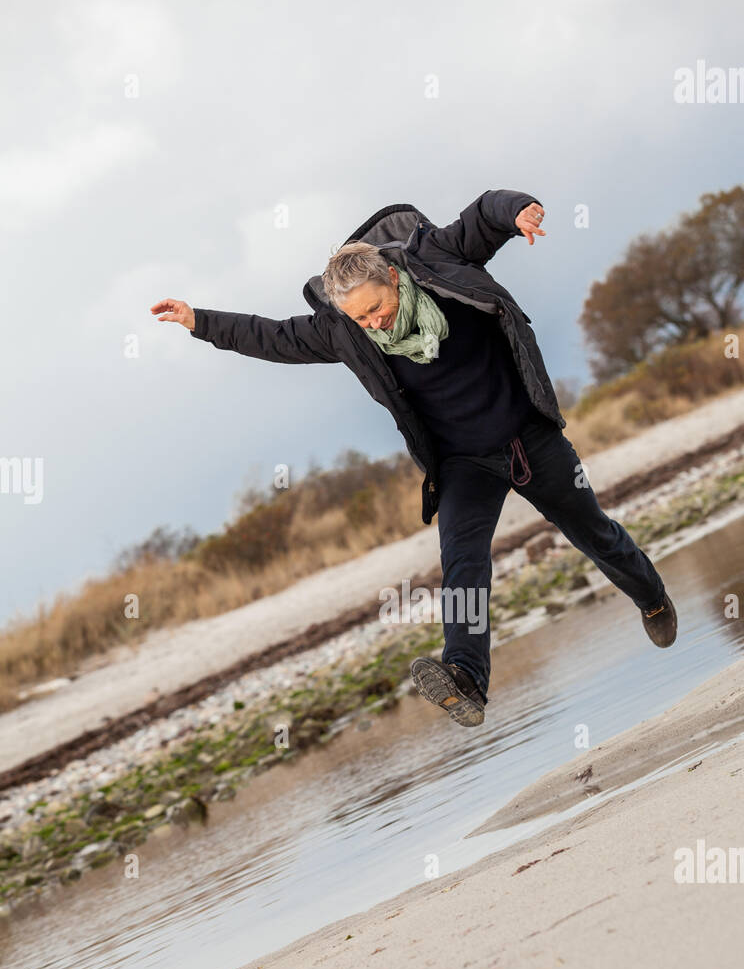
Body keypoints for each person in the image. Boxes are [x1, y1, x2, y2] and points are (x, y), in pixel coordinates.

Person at [151, 189, 676, 728]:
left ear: (395, 279)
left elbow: (483, 216)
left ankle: (653, 598)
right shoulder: (346, 331)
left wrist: (517, 211)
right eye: (360, 319)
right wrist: (200, 320)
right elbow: (273, 336)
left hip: (528, 438)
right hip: (463, 462)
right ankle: (465, 676)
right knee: (462, 565)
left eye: (376, 308)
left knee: (592, 530)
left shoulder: (437, 261)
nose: (373, 324)